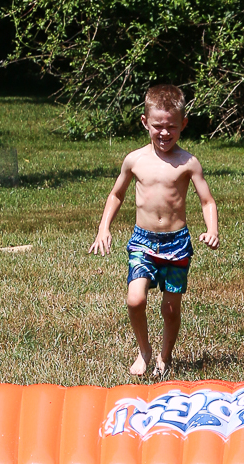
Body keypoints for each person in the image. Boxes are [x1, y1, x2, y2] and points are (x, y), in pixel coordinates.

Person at [89, 84, 219, 377]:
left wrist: (212, 230)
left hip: (177, 244)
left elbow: (207, 200)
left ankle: (165, 355)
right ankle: (144, 350)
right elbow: (116, 195)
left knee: (171, 308)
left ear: (183, 124)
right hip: (143, 241)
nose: (164, 133)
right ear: (145, 122)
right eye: (158, 126)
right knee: (135, 298)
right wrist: (103, 228)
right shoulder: (135, 160)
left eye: (171, 126)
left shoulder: (188, 162)